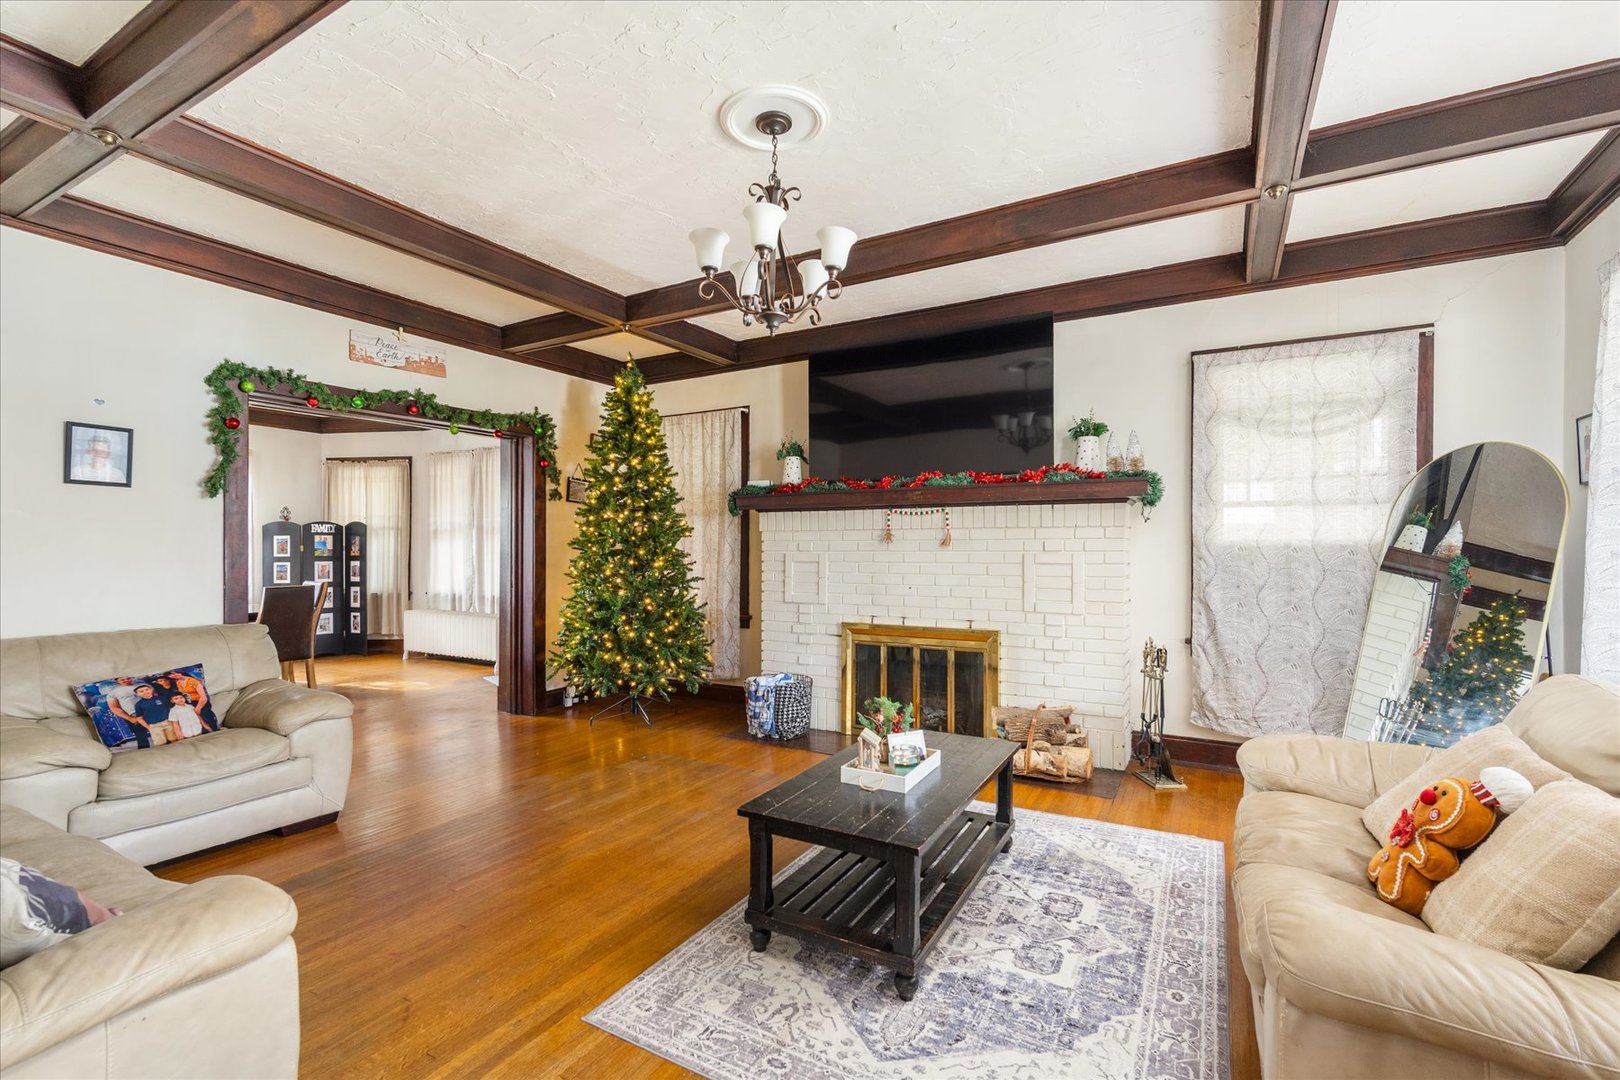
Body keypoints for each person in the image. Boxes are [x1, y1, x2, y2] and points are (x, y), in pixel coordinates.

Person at [106, 684, 169, 749]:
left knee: (166, 733)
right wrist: (129, 718)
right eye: (122, 679)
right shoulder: (113, 692)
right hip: (134, 715)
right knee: (141, 736)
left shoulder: (142, 683)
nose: (126, 680)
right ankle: (145, 752)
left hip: (152, 713)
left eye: (146, 690)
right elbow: (114, 707)